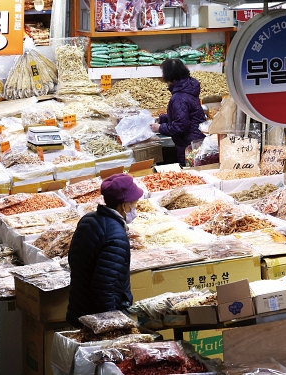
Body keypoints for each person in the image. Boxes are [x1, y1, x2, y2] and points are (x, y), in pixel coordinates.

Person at [66, 173, 143, 327]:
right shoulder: (116, 236)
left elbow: (73, 261)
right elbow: (105, 288)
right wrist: (111, 325)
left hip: (78, 308)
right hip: (97, 319)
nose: (136, 208)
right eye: (134, 204)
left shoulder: (88, 219)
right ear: (124, 206)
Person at [150, 58, 206, 166]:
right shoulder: (188, 88)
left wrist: (160, 128)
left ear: (170, 76)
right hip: (196, 139)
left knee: (190, 173)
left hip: (188, 144)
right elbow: (185, 114)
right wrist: (162, 118)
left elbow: (180, 126)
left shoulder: (178, 97)